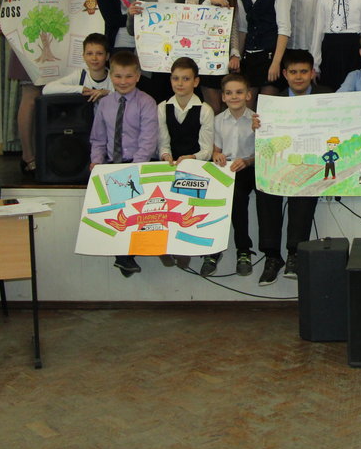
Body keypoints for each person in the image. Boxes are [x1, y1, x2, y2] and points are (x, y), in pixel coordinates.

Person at [252, 49, 330, 283]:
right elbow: (266, 142)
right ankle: (272, 256)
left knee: (304, 186)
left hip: (315, 163)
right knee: (264, 187)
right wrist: (258, 127)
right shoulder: (273, 103)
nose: (298, 77)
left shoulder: (328, 97)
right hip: (282, 164)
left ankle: (295, 253)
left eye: (303, 72)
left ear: (312, 73)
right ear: (285, 74)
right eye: (293, 72)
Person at [1, 0, 65, 175]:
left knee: (52, 97)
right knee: (30, 96)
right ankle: (28, 156)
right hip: (32, 37)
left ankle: (49, 152)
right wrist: (5, 17)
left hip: (54, 37)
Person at [89, 50, 160, 277]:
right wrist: (96, 162)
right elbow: (98, 138)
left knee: (135, 211)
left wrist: (133, 170)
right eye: (118, 76)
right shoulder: (104, 104)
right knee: (116, 215)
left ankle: (131, 255)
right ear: (111, 76)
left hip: (139, 164)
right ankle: (124, 257)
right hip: (112, 165)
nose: (123, 81)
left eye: (129, 76)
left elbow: (148, 140)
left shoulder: (146, 103)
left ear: (138, 76)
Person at [156, 57, 215, 270]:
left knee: (188, 210)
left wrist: (191, 158)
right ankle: (163, 246)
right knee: (162, 205)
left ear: (196, 82)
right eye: (175, 78)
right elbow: (163, 143)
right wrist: (165, 156)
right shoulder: (162, 107)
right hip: (170, 165)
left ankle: (184, 249)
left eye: (186, 79)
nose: (180, 83)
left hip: (195, 167)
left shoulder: (205, 110)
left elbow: (207, 149)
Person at [205, 73, 257, 278]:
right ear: (223, 97)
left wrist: (247, 161)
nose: (234, 96)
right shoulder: (218, 120)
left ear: (248, 95)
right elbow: (216, 150)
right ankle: (212, 250)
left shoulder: (256, 120)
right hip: (225, 169)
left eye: (239, 92)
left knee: (237, 196)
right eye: (229, 93)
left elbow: (263, 152)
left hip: (248, 168)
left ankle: (243, 250)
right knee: (211, 197)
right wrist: (216, 155)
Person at [231, 0, 291, 99]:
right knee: (247, 107)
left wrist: (276, 63)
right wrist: (239, 57)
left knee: (267, 106)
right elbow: (243, 29)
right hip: (249, 59)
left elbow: (284, 29)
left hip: (271, 57)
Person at [182, 0, 238, 112]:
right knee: (212, 107)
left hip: (224, 58)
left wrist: (235, 53)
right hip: (203, 58)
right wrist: (210, 2)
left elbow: (233, 26)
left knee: (228, 105)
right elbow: (188, 19)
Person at [126, 0, 181, 102]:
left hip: (174, 61)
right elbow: (131, 31)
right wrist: (131, 15)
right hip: (150, 62)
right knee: (151, 105)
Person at [42, 33, 112, 100]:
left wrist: (108, 93)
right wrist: (80, 89)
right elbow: (47, 89)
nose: (94, 58)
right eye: (89, 53)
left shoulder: (113, 77)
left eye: (99, 54)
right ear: (83, 56)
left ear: (107, 56)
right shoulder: (80, 75)